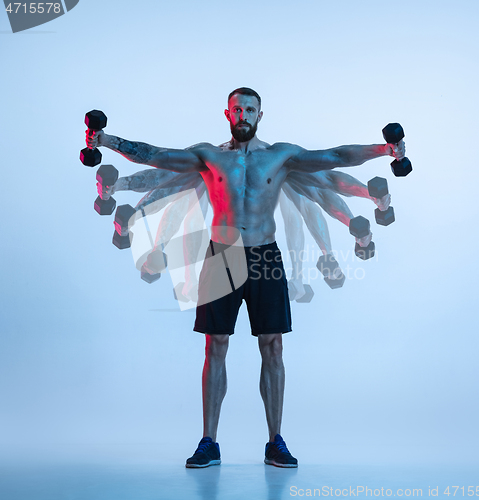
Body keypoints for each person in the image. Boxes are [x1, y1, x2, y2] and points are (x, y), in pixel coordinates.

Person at [86, 87, 405, 468]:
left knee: (272, 347)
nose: (243, 115)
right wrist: (107, 140)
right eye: (237, 109)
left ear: (260, 115)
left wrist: (383, 150)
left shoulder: (280, 156)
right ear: (227, 113)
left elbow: (335, 156)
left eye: (249, 110)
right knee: (215, 346)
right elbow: (157, 155)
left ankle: (275, 442)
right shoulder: (209, 156)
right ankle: (209, 442)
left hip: (265, 257)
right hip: (222, 254)